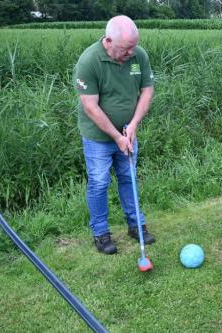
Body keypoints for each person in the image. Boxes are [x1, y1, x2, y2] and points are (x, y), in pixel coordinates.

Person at [73, 15, 155, 254]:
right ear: (109, 41)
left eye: (133, 46)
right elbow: (90, 106)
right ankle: (101, 234)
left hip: (127, 133)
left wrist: (133, 125)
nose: (131, 52)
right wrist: (117, 137)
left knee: (128, 176)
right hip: (98, 137)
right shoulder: (89, 61)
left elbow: (147, 91)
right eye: (126, 48)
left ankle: (136, 225)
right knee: (99, 182)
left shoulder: (138, 56)